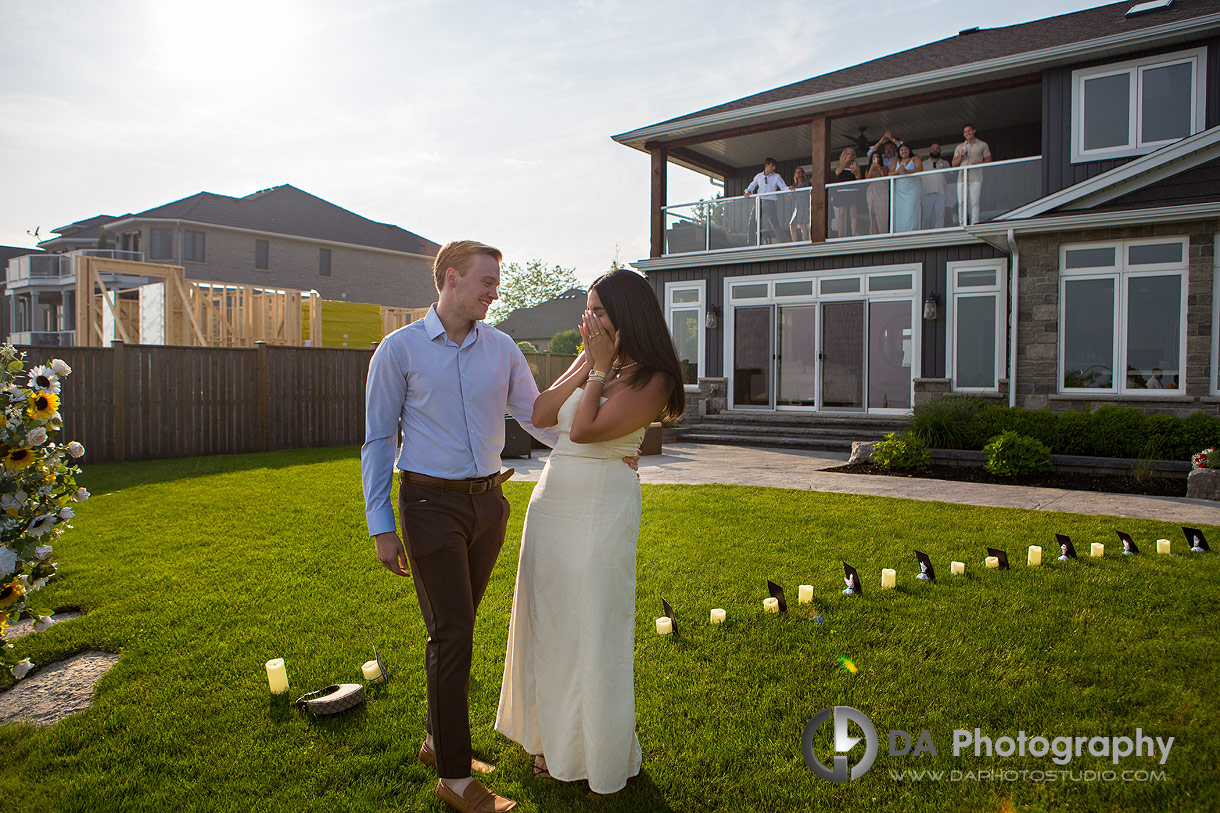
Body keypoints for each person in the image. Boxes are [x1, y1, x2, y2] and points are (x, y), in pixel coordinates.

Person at [361, 241, 633, 813]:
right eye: (487, 282)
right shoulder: (399, 350)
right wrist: (381, 524)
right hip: (429, 505)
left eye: (497, 282)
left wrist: (604, 453)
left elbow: (535, 416)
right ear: (451, 279)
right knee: (452, 633)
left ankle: (438, 743)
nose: (495, 292)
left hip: (489, 505)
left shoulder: (504, 348)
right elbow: (379, 440)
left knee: (457, 626)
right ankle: (457, 781)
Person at [496, 269, 684, 795]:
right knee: (550, 624)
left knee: (591, 628)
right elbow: (538, 412)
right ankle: (547, 740)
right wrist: (588, 363)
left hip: (601, 508)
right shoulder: (595, 362)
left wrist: (598, 369)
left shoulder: (653, 379)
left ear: (627, 315)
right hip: (552, 505)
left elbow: (584, 430)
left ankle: (592, 752)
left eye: (598, 310)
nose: (589, 318)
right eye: (588, 308)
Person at [951, 124, 992, 224]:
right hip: (962, 178)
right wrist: (960, 156)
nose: (967, 133)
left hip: (976, 177)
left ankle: (974, 223)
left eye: (969, 131)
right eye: (965, 132)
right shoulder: (960, 147)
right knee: (961, 202)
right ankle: (962, 223)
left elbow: (989, 159)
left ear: (974, 131)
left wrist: (979, 163)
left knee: (974, 201)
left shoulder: (982, 144)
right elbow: (954, 164)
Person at [743, 157, 789, 243]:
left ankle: (782, 241)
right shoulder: (759, 176)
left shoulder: (777, 177)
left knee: (774, 222)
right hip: (759, 201)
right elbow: (751, 186)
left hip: (770, 201)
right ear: (767, 165)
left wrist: (789, 190)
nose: (774, 168)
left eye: (775, 166)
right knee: (752, 220)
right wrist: (748, 192)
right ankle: (750, 241)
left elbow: (783, 187)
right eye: (772, 166)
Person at [830, 147, 863, 237]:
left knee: (853, 212)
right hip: (842, 191)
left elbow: (859, 178)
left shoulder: (856, 165)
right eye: (848, 154)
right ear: (845, 155)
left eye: (852, 155)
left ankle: (853, 233)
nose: (850, 156)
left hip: (853, 190)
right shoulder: (840, 164)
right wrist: (845, 162)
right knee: (841, 213)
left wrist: (855, 172)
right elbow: (837, 172)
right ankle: (840, 234)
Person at [890, 143, 922, 233]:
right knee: (900, 212)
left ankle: (912, 231)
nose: (904, 151)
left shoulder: (915, 158)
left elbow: (919, 169)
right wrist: (898, 171)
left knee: (911, 210)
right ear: (899, 152)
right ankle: (899, 232)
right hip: (899, 190)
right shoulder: (896, 160)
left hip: (912, 189)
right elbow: (889, 173)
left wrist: (907, 171)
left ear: (909, 150)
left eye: (906, 149)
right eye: (902, 150)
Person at [920, 143, 950, 229]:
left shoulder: (945, 163)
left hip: (941, 192)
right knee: (927, 216)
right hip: (926, 192)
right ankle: (926, 233)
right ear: (930, 151)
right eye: (933, 148)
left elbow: (951, 176)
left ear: (940, 151)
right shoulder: (923, 164)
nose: (935, 150)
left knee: (940, 215)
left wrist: (944, 171)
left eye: (937, 148)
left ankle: (939, 232)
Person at [865, 150, 890, 235]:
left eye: (877, 157)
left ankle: (883, 232)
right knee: (872, 212)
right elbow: (867, 180)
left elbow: (886, 179)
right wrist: (872, 168)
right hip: (871, 189)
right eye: (874, 158)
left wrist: (879, 168)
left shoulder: (885, 167)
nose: (876, 159)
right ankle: (873, 233)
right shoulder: (868, 169)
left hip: (881, 189)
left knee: (882, 211)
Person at [789, 166, 812, 242]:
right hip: (798, 207)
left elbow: (812, 190)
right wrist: (789, 191)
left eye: (800, 172)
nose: (798, 174)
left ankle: (805, 242)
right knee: (792, 225)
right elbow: (790, 198)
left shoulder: (806, 183)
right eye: (796, 172)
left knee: (803, 225)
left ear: (803, 173)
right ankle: (794, 242)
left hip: (805, 205)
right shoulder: (795, 186)